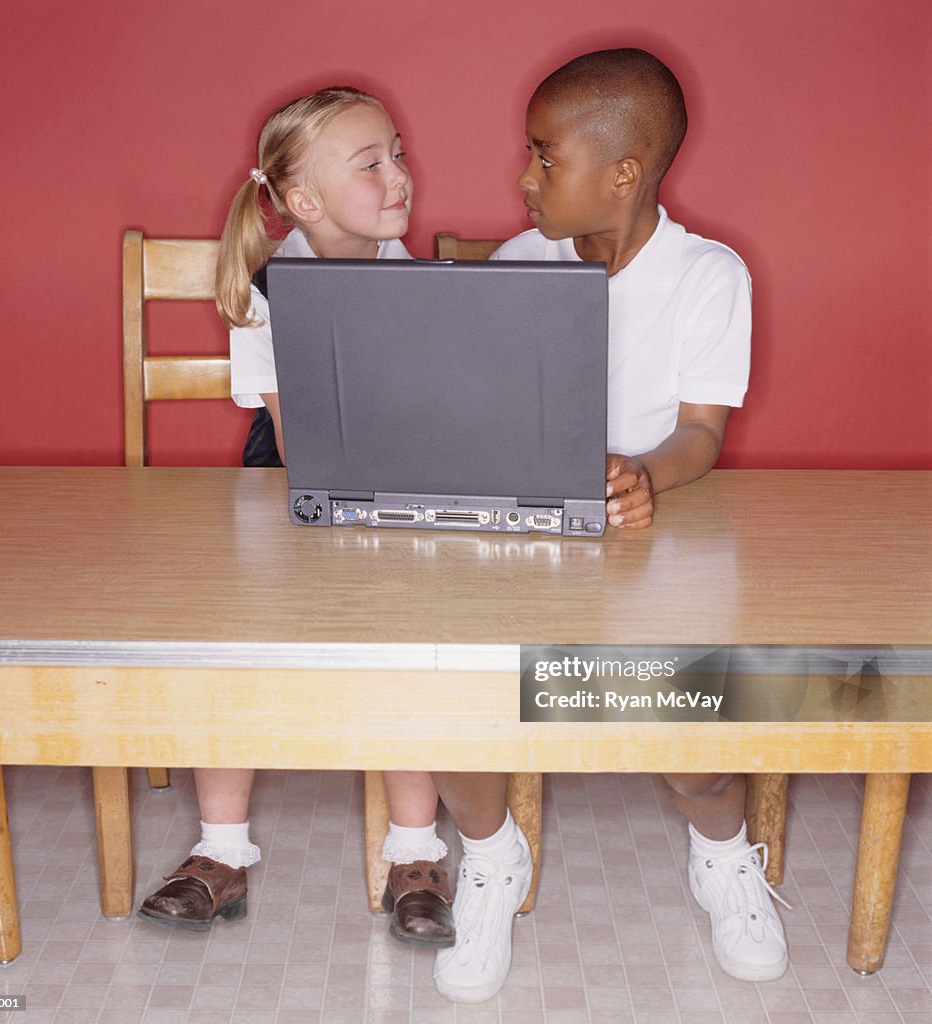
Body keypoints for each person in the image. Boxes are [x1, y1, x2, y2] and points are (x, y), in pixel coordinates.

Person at [138, 89, 531, 1003]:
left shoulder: (421, 280)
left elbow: (447, 417)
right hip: (292, 490)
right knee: (228, 634)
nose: (401, 177)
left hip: (399, 502)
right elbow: (302, 440)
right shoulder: (267, 294)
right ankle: (220, 847)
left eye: (400, 153)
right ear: (303, 201)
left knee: (409, 633)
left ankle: (415, 852)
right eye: (372, 164)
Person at [477, 48, 789, 989]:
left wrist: (642, 478)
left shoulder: (709, 275)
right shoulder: (517, 264)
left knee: (686, 725)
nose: (521, 179)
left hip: (650, 539)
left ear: (620, 174)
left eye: (543, 158)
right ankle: (492, 854)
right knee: (452, 688)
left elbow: (700, 433)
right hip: (530, 541)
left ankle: (723, 852)